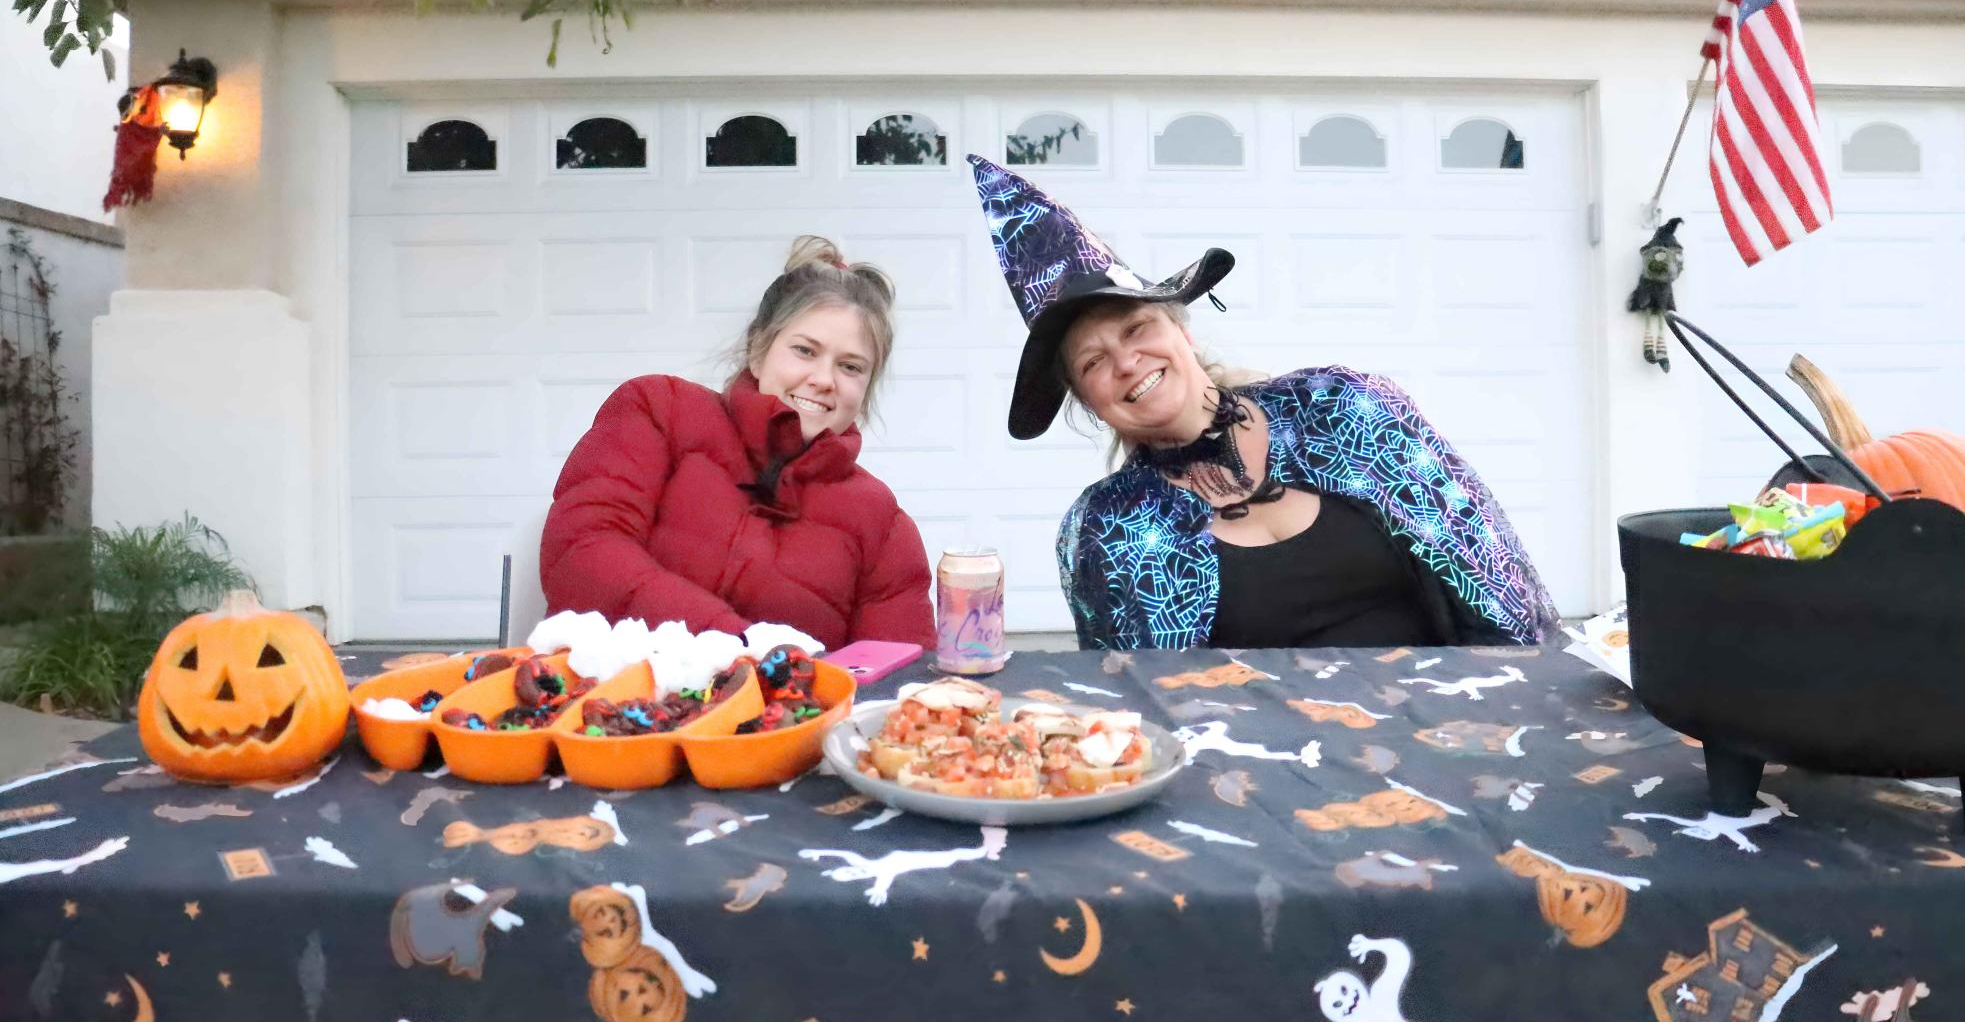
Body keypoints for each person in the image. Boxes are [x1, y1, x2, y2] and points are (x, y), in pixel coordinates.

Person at [967, 155, 1556, 650]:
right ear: (1091, 403)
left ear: (1183, 332)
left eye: (1136, 329)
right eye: (1093, 363)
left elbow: (1496, 579)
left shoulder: (1342, 408)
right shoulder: (1110, 528)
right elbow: (1134, 712)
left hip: (1446, 733)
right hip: (1259, 769)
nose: (1125, 363)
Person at [540, 237, 936, 650]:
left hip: (789, 714)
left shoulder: (882, 522)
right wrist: (740, 645)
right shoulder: (658, 411)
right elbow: (583, 556)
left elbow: (897, 669)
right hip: (617, 700)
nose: (823, 378)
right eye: (804, 350)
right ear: (758, 349)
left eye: (850, 366)